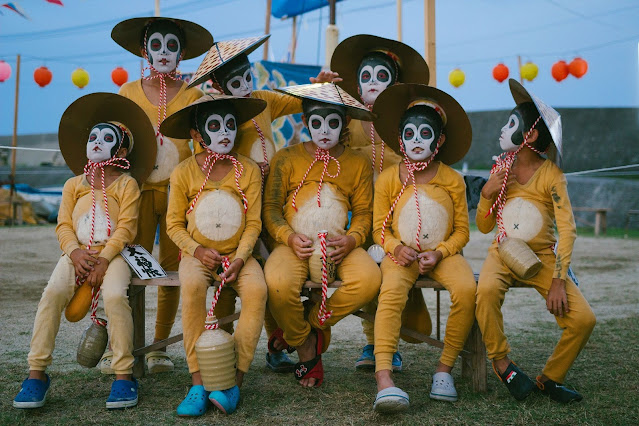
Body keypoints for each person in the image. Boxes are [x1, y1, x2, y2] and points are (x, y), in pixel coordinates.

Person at [187, 35, 340, 372]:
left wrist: (318, 87)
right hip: (238, 204)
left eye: (247, 78)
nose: (243, 87)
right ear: (217, 84)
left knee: (272, 277)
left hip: (274, 202)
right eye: (234, 82)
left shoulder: (264, 99)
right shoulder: (219, 114)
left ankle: (278, 344)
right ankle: (220, 344)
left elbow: (299, 100)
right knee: (231, 274)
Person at [13, 93, 156, 409]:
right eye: (93, 136)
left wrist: (105, 259)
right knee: (52, 294)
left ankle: (123, 374)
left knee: (116, 297)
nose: (96, 141)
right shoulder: (73, 184)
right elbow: (63, 224)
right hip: (76, 254)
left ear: (120, 149)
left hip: (114, 255)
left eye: (106, 138)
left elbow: (127, 228)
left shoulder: (126, 185)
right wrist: (74, 253)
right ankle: (36, 373)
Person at [475, 79, 596, 403]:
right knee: (485, 291)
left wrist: (559, 279)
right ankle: (503, 365)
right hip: (502, 252)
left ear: (529, 136)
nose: (503, 129)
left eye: (511, 123)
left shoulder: (552, 175)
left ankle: (550, 379)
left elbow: (567, 230)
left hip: (542, 256)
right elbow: (485, 227)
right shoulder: (501, 168)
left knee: (584, 319)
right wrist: (488, 193)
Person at [108, 16, 213, 374]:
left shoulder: (194, 96)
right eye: (157, 45)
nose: (164, 52)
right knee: (131, 266)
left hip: (179, 197)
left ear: (182, 52)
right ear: (144, 51)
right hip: (135, 196)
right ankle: (124, 345)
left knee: (173, 270)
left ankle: (158, 348)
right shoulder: (127, 94)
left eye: (172, 46)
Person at [262, 82, 382, 388]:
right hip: (293, 246)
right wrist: (288, 237)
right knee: (276, 284)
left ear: (345, 123)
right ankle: (306, 348)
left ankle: (310, 325)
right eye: (316, 123)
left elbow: (365, 213)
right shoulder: (286, 158)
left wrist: (353, 239)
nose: (324, 130)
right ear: (305, 122)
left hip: (340, 245)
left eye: (333, 122)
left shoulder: (357, 162)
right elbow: (272, 209)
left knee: (369, 280)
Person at [369, 84, 476, 412]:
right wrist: (394, 248)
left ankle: (444, 370)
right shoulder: (388, 178)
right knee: (389, 293)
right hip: (401, 256)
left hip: (442, 255)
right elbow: (378, 229)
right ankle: (384, 376)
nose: (416, 139)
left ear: (439, 140)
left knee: (467, 289)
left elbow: (462, 231)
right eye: (409, 133)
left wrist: (441, 252)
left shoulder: (453, 179)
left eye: (425, 133)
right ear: (400, 138)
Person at [330, 34, 431, 372]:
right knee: (370, 274)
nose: (373, 83)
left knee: (394, 276)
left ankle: (389, 345)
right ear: (357, 85)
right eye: (366, 76)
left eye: (381, 76)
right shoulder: (345, 119)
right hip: (357, 216)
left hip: (399, 217)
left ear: (395, 83)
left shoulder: (406, 123)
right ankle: (373, 343)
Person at [161, 93, 267, 416]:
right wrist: (197, 250)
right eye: (215, 126)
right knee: (192, 288)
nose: (224, 132)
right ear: (197, 135)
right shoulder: (182, 173)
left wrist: (240, 256)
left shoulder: (248, 171)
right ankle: (197, 381)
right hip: (197, 257)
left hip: (238, 256)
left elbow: (254, 223)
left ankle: (233, 381)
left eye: (230, 125)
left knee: (258, 291)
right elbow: (173, 225)